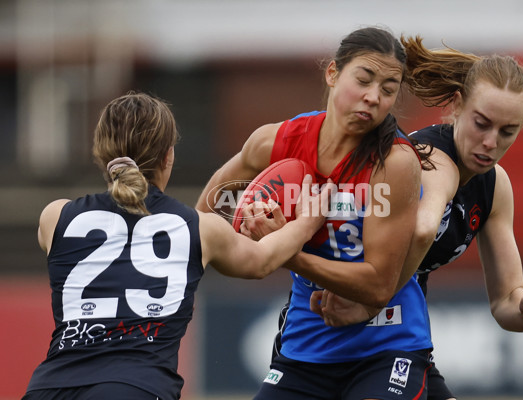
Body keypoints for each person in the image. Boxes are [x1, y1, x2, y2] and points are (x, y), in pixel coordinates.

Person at [22, 92, 331, 400]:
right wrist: (307, 222)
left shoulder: (55, 216)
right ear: (168, 156)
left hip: (50, 387)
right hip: (135, 387)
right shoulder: (200, 228)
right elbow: (262, 260)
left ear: (101, 154)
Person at [197, 27, 437, 399]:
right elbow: (208, 213)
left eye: (389, 90)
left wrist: (287, 251)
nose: (373, 97)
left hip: (387, 344)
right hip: (306, 346)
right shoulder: (274, 142)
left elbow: (377, 286)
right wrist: (249, 229)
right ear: (332, 73)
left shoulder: (394, 163)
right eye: (364, 80)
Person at [310, 37, 523, 400]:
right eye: (481, 123)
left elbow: (503, 301)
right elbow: (423, 229)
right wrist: (369, 303)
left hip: (392, 338)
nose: (490, 142)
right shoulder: (430, 158)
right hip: (328, 323)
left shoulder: (495, 186)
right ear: (456, 106)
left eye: (507, 131)